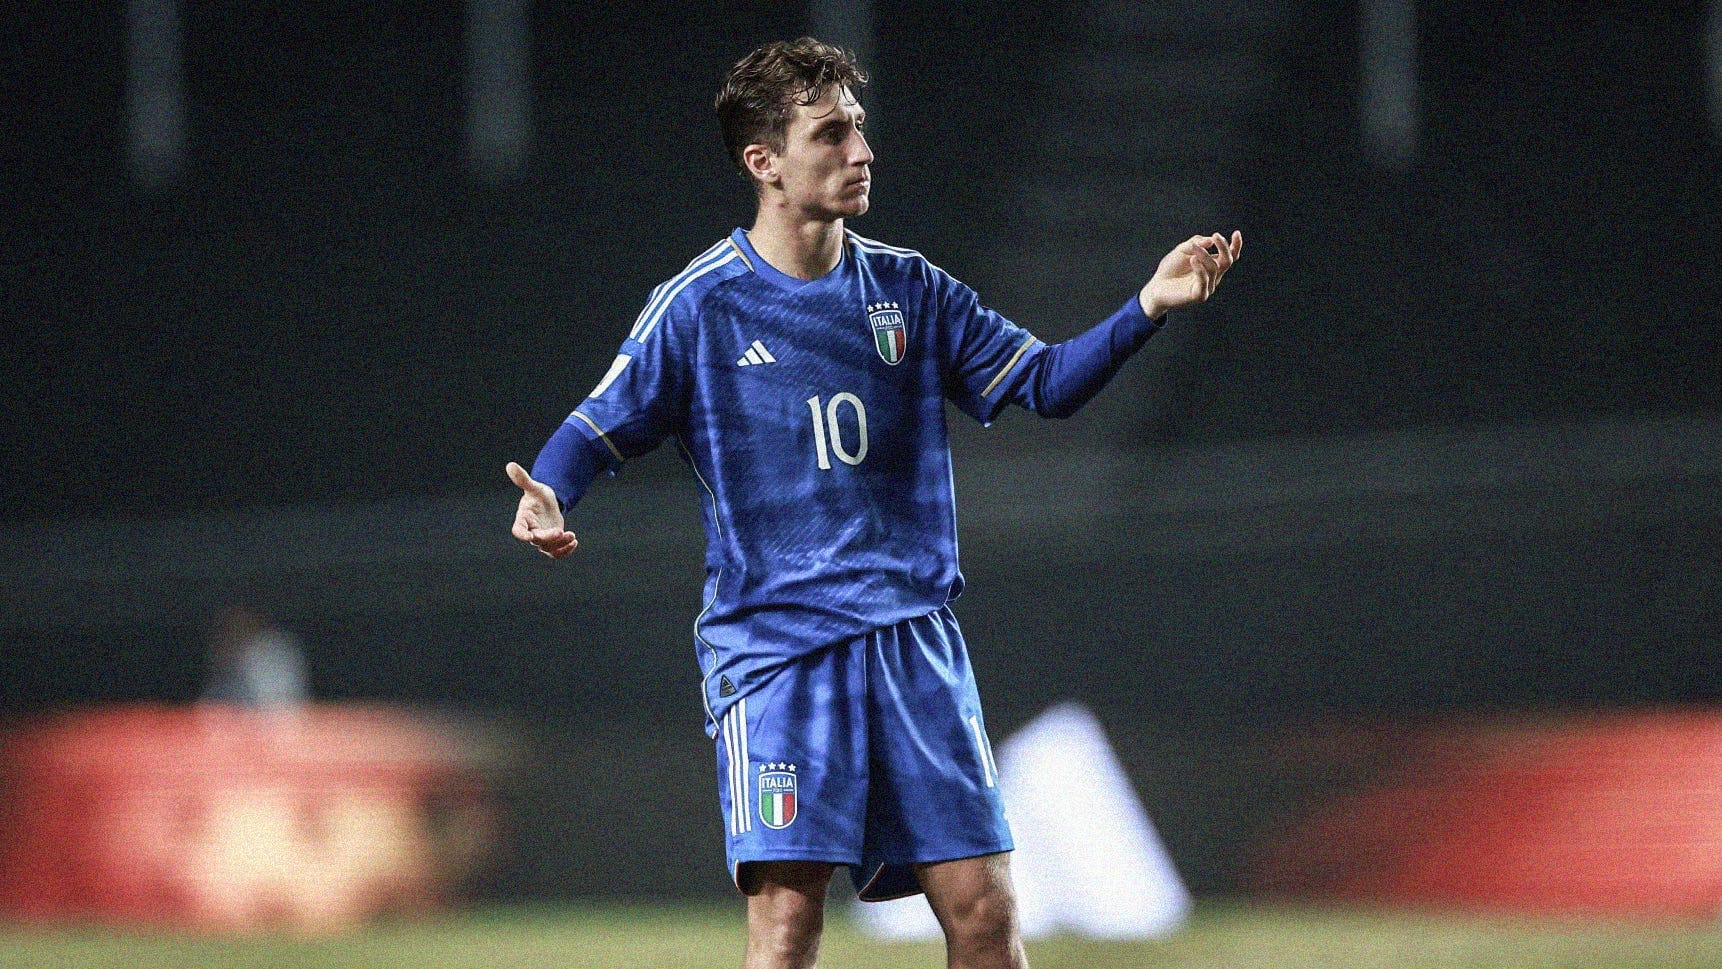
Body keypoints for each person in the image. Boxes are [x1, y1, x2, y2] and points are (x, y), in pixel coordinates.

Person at [506, 38, 1241, 969]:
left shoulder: (910, 289)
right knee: (786, 931)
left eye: (859, 127)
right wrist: (548, 495)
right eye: (832, 132)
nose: (861, 150)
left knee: (984, 917)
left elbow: (1046, 383)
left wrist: (1147, 306)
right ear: (763, 162)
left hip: (912, 643)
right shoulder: (701, 306)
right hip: (778, 652)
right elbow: (597, 425)